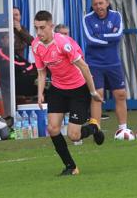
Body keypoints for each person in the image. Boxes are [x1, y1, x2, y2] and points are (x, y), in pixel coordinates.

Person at [33, 10, 104, 176]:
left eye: (42, 28)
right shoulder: (36, 45)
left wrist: (92, 92)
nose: (39, 32)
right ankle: (71, 167)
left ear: (51, 26)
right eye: (36, 28)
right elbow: (42, 72)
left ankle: (94, 127)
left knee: (74, 136)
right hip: (58, 89)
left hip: (78, 89)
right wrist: (40, 93)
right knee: (52, 128)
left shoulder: (62, 43)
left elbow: (84, 67)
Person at [82, 0, 128, 133]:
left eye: (101, 3)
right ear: (92, 5)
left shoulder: (116, 16)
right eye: (95, 4)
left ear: (107, 3)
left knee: (120, 94)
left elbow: (118, 35)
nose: (98, 6)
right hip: (95, 64)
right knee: (98, 95)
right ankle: (97, 130)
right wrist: (109, 38)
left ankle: (123, 129)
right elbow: (90, 39)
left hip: (113, 62)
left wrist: (100, 36)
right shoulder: (87, 19)